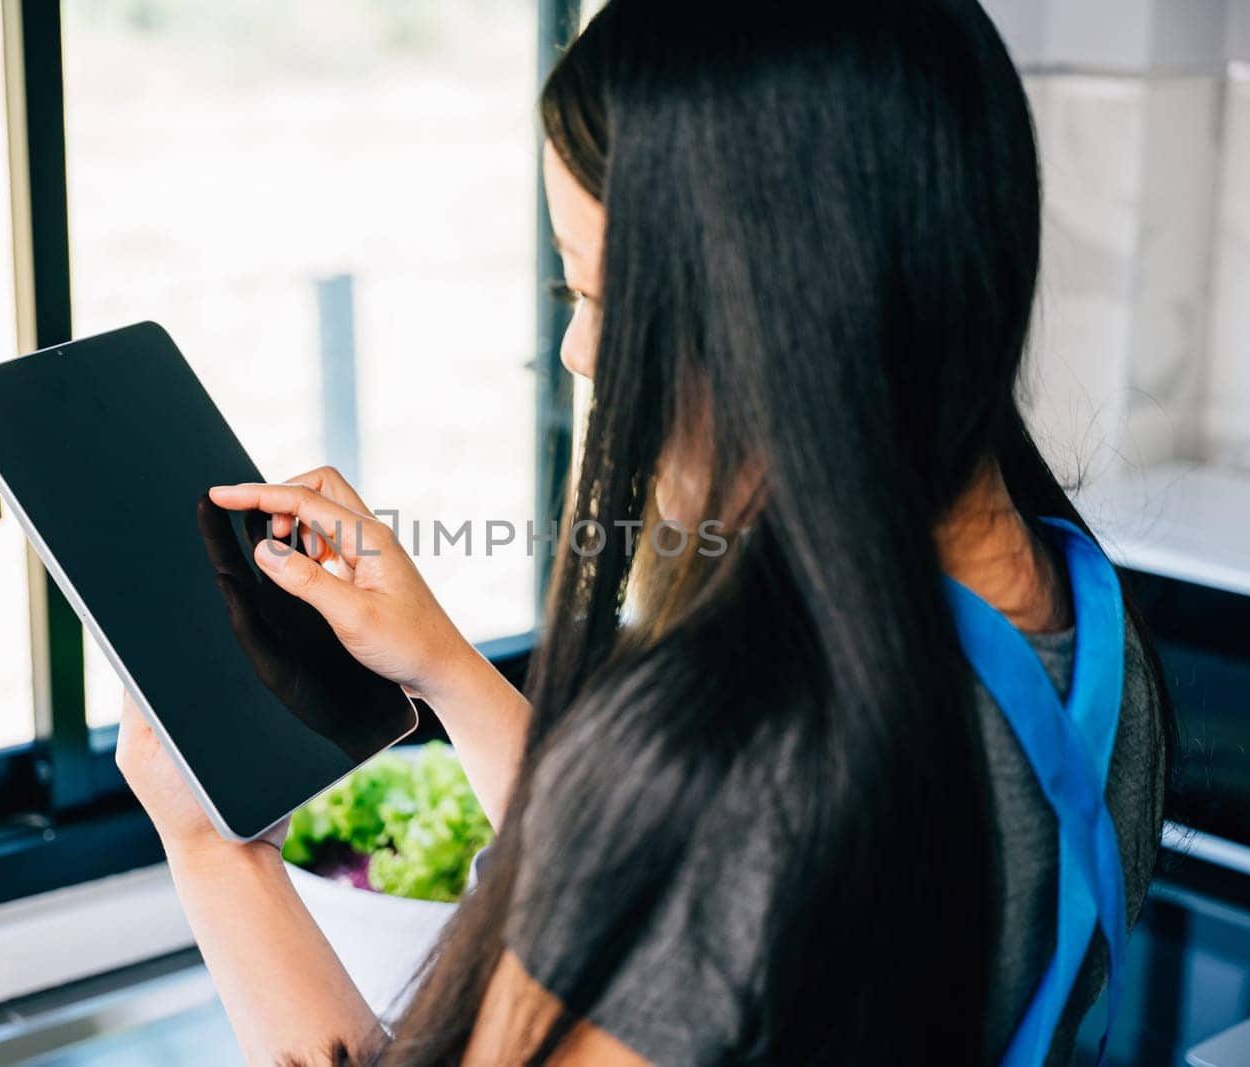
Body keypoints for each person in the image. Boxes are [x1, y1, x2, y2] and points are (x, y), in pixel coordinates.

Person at [114, 1, 1172, 1063]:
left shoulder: (747, 764)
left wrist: (216, 849)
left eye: (598, 290)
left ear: (773, 300)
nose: (580, 350)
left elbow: (698, 866)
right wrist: (442, 665)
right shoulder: (1086, 625)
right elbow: (693, 913)